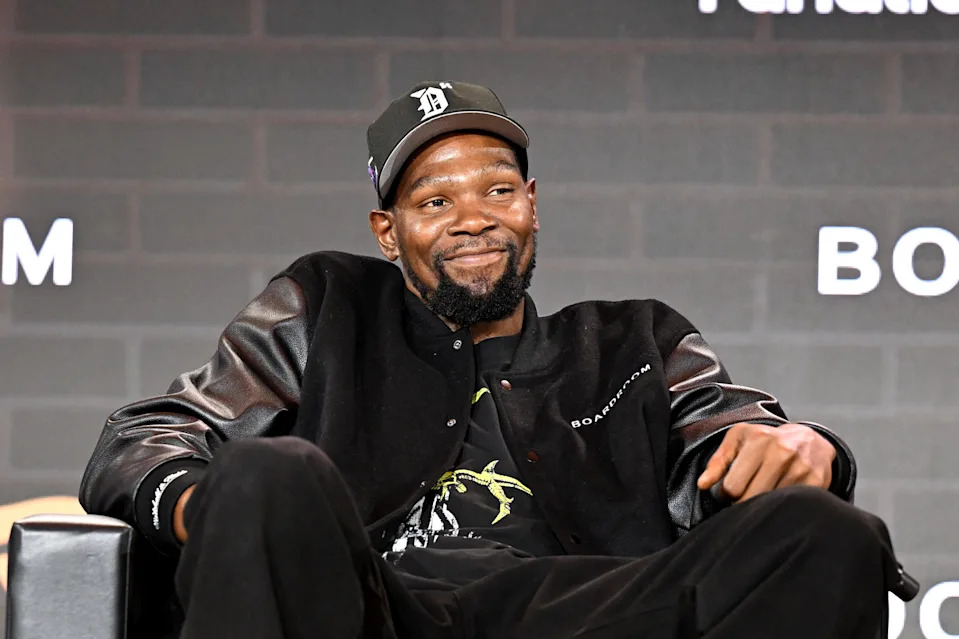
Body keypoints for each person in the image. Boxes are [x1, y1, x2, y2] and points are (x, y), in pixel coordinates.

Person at [80, 81, 899, 639]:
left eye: (498, 191)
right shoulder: (324, 304)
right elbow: (146, 436)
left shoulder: (632, 338)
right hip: (373, 603)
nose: (474, 218)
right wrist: (217, 511)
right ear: (387, 231)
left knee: (826, 528)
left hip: (585, 606)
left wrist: (802, 446)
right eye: (435, 201)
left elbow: (727, 430)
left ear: (532, 205)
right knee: (269, 472)